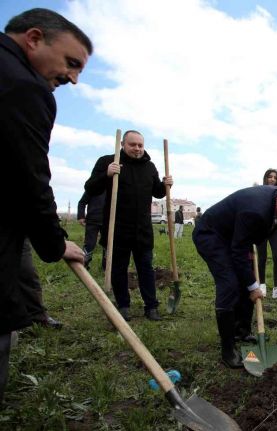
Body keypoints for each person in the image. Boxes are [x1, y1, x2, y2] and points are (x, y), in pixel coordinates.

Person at [0, 8, 90, 403]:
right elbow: (29, 177)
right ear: (34, 38)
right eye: (71, 63)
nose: (72, 78)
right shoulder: (24, 86)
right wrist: (54, 243)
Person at [192, 184, 277, 368]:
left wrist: (250, 263)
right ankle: (228, 350)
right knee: (230, 284)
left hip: (235, 236)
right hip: (211, 235)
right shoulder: (256, 210)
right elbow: (237, 252)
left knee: (247, 279)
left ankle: (241, 332)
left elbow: (257, 234)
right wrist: (254, 288)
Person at [84, 130, 173, 322]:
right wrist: (107, 174)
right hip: (117, 228)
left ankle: (151, 307)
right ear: (123, 144)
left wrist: (166, 185)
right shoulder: (109, 162)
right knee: (118, 268)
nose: (137, 148)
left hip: (142, 230)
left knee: (146, 269)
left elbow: (157, 192)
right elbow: (90, 188)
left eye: (140, 145)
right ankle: (123, 306)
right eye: (133, 144)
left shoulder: (149, 167)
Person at [256, 169, 277, 299]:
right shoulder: (260, 192)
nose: (272, 179)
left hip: (275, 229)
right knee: (262, 257)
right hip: (262, 229)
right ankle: (262, 285)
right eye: (270, 177)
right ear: (265, 178)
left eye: (275, 177)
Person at [77, 189, 105, 270]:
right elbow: (82, 202)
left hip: (107, 222)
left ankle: (106, 267)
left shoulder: (112, 187)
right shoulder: (93, 187)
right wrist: (81, 216)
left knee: (107, 244)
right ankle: (84, 264)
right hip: (92, 221)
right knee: (89, 244)